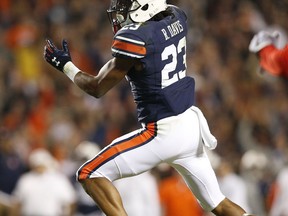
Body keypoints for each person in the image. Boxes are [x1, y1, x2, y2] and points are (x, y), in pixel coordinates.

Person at [43, 0, 252, 215]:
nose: (121, 12)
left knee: (89, 173)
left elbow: (96, 87)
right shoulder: (175, 15)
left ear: (145, 5)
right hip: (190, 124)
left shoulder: (137, 37)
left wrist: (66, 66)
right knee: (219, 204)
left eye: (127, 5)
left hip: (162, 132)